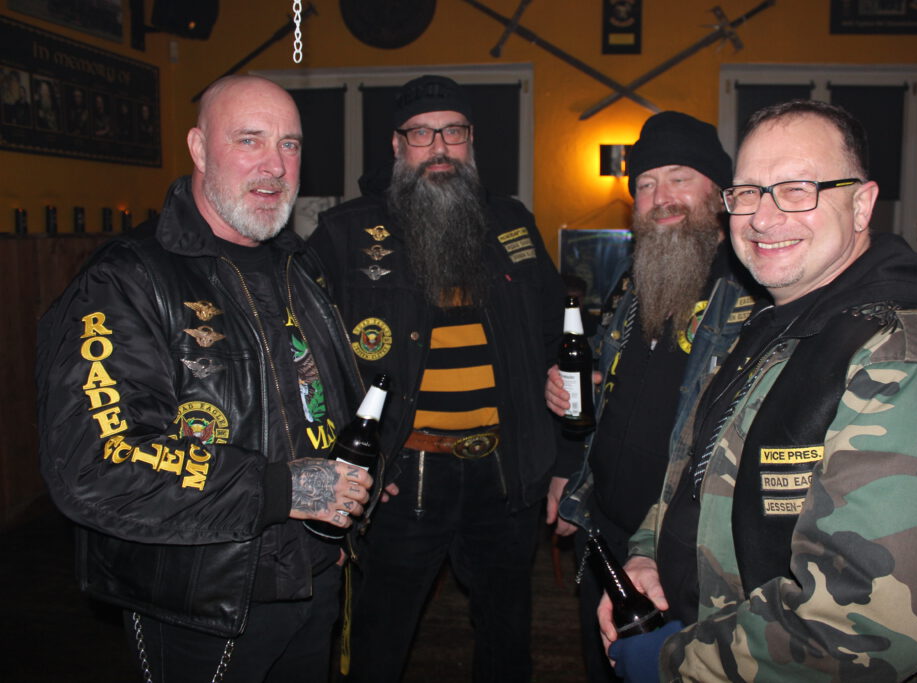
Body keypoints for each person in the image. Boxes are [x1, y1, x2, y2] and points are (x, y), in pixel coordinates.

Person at [601, 99, 917, 682]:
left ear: (862, 205)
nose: (764, 217)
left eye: (797, 189)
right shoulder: (771, 328)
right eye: (749, 192)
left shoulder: (910, 364)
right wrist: (648, 554)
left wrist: (675, 663)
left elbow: (858, 632)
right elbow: (695, 473)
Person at [36, 75, 372, 683]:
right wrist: (281, 490)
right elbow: (95, 465)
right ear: (198, 148)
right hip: (205, 602)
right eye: (249, 140)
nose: (275, 165)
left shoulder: (299, 264)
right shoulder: (126, 279)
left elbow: (315, 400)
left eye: (290, 144)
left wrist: (350, 499)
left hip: (315, 578)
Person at [307, 74, 566, 682]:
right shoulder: (346, 233)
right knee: (378, 643)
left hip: (504, 477)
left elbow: (555, 341)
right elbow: (305, 360)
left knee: (507, 643)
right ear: (398, 145)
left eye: (453, 131)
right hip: (402, 478)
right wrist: (344, 462)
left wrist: (562, 460)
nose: (440, 147)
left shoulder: (512, 222)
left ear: (471, 140)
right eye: (422, 134)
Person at [544, 111, 759, 682]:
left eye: (679, 178)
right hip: (604, 528)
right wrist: (568, 463)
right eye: (645, 184)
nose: (661, 198)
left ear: (719, 190)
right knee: (605, 665)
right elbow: (601, 386)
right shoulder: (635, 280)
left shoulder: (755, 290)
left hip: (685, 549)